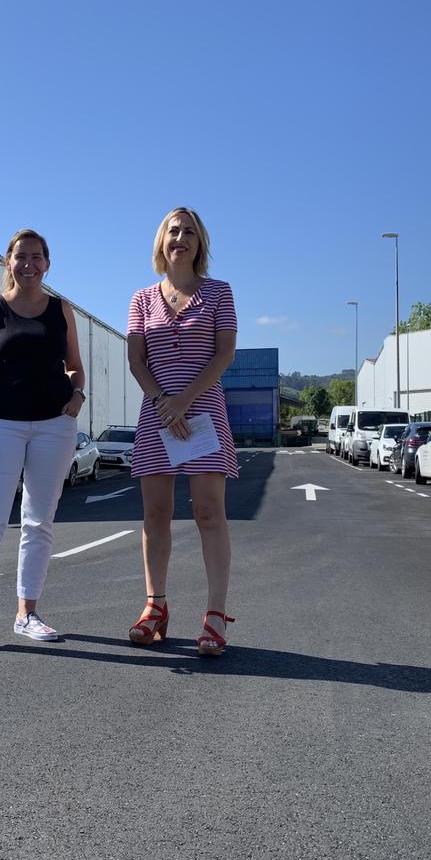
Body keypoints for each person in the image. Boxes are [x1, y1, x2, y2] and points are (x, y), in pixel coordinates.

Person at [0, 229, 86, 656]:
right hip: (2, 424)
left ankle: (27, 613)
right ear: (8, 261)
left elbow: (76, 368)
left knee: (39, 521)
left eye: (37, 257)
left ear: (48, 264)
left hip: (53, 425)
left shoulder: (62, 310)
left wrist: (77, 397)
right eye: (20, 257)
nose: (29, 264)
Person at [125, 207, 239, 656]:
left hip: (203, 414)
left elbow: (224, 354)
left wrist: (184, 401)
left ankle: (215, 617)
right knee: (155, 516)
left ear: (200, 243)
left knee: (209, 514)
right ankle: (155, 608)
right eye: (174, 231)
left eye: (190, 232)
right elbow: (137, 360)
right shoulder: (141, 299)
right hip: (157, 417)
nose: (181, 238)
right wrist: (162, 403)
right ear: (161, 242)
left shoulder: (219, 293)